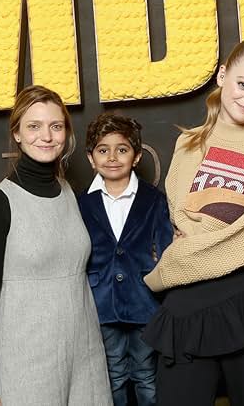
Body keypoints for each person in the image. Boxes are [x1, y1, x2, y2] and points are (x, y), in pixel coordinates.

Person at [142, 31, 244, 406]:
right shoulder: (190, 143)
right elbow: (183, 219)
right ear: (222, 76)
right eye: (243, 84)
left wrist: (181, 259)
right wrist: (227, 236)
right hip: (188, 303)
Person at [0, 85, 112, 406]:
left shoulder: (67, 192)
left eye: (56, 126)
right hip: (28, 363)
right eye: (34, 126)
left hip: (85, 354)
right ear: (17, 134)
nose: (46, 136)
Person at [79, 113, 174, 406]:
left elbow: (167, 248)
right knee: (113, 375)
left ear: (135, 156)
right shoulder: (81, 203)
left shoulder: (153, 199)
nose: (112, 157)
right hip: (101, 304)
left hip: (144, 301)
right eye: (102, 150)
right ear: (91, 158)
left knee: (146, 375)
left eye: (122, 149)